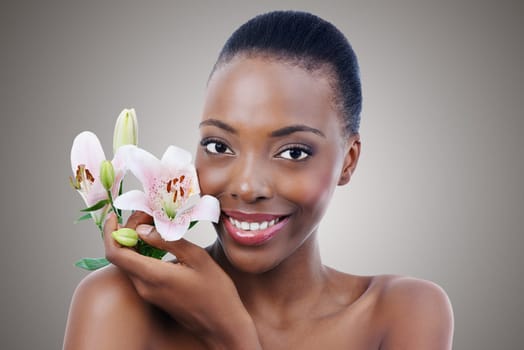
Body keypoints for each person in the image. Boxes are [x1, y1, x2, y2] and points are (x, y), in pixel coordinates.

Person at [64, 10, 453, 349]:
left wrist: (231, 333)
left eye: (293, 152)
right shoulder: (115, 302)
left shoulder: (403, 311)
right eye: (218, 146)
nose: (248, 187)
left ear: (348, 162)